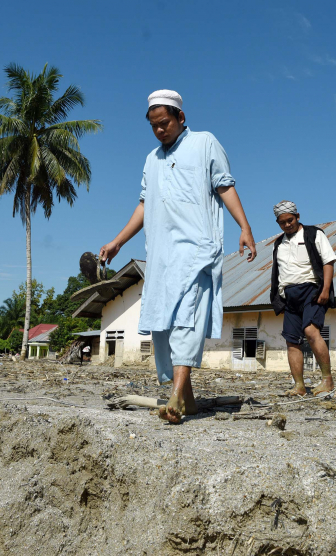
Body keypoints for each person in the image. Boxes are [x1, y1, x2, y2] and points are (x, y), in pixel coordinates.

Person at [100, 90, 256, 423]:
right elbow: (144, 204)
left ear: (181, 117)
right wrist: (117, 242)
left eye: (165, 123)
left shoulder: (205, 143)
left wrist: (244, 226)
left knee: (187, 318)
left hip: (196, 249)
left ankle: (175, 399)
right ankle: (188, 399)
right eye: (154, 126)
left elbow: (224, 186)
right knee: (161, 325)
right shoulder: (151, 159)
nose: (160, 131)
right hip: (161, 255)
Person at [269, 201, 336, 396]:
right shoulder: (278, 243)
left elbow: (328, 261)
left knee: (311, 330)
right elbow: (278, 271)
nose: (287, 225)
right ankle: (299, 386)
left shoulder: (314, 234)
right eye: (282, 222)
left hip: (311, 290)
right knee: (291, 341)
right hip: (289, 296)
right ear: (278, 223)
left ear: (297, 216)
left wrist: (325, 290)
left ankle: (327, 380)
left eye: (290, 220)